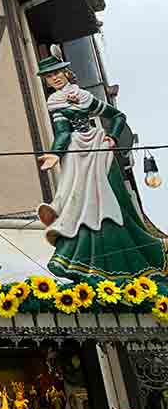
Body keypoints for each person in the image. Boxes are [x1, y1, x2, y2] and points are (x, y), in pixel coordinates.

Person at [36, 55, 168, 281]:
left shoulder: (85, 96)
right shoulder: (56, 102)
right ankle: (60, 213)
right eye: (49, 76)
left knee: (108, 198)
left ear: (66, 73)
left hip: (99, 148)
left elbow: (117, 116)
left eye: (57, 73)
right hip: (76, 151)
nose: (54, 78)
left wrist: (113, 137)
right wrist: (55, 155)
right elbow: (63, 133)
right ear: (46, 82)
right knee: (78, 196)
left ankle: (60, 212)